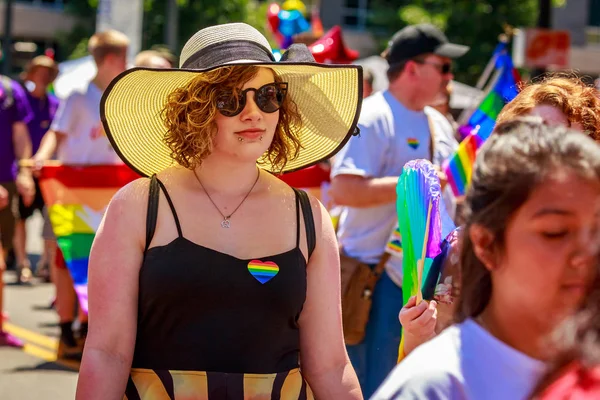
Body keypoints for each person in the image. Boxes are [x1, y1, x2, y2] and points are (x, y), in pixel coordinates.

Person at [76, 23, 363, 399]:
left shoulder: (309, 218)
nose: (253, 113)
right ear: (194, 110)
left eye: (267, 96)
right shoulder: (138, 207)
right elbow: (106, 352)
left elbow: (330, 365)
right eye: (230, 99)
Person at [372, 118, 600, 400]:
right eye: (555, 233)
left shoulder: (588, 366)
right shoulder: (437, 385)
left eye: (596, 230)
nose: (585, 253)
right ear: (486, 244)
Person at [396, 74, 600, 359]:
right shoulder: (465, 249)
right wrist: (416, 332)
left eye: (567, 143)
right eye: (533, 139)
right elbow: (429, 360)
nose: (548, 155)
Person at [329, 23, 468, 398]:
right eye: (442, 66)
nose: (449, 76)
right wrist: (413, 186)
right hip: (375, 284)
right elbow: (344, 188)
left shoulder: (438, 122)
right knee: (378, 387)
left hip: (429, 285)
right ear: (411, 68)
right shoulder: (373, 115)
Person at [33, 29, 129, 357]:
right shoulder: (76, 96)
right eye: (124, 58)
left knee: (101, 260)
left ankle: (89, 329)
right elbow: (55, 134)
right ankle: (65, 329)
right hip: (73, 191)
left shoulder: (121, 98)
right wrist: (42, 160)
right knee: (68, 258)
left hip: (110, 192)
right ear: (113, 59)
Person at [12, 55, 59, 283]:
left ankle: (45, 263)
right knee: (20, 216)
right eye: (38, 71)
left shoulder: (54, 103)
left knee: (49, 218)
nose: (42, 75)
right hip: (23, 168)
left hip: (47, 171)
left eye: (47, 72)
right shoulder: (21, 99)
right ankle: (22, 263)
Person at [0, 73, 35, 347]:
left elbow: (20, 134)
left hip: (6, 183)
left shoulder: (11, 90)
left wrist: (24, 172)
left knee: (1, 260)